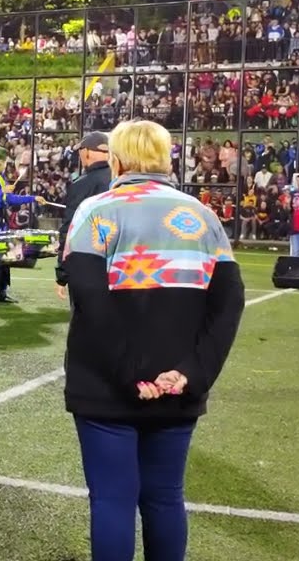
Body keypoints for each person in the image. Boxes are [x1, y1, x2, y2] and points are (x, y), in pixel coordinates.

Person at [60, 120, 244, 561]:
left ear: (118, 159)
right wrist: (191, 374)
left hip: (106, 384)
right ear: (166, 160)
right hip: (177, 387)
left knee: (112, 500)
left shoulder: (98, 210)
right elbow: (230, 302)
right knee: (164, 498)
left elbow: (89, 299)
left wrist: (129, 374)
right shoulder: (202, 215)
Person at [0, 147, 42, 304]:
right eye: (6, 163)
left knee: (4, 258)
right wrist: (2, 191)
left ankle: (0, 292)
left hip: (0, 221)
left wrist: (33, 198)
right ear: (0, 161)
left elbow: (9, 199)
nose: (6, 166)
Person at [55, 132, 113, 302]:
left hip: (89, 265)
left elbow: (70, 231)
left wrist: (62, 274)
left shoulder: (82, 185)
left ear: (86, 152)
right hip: (123, 266)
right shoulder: (123, 179)